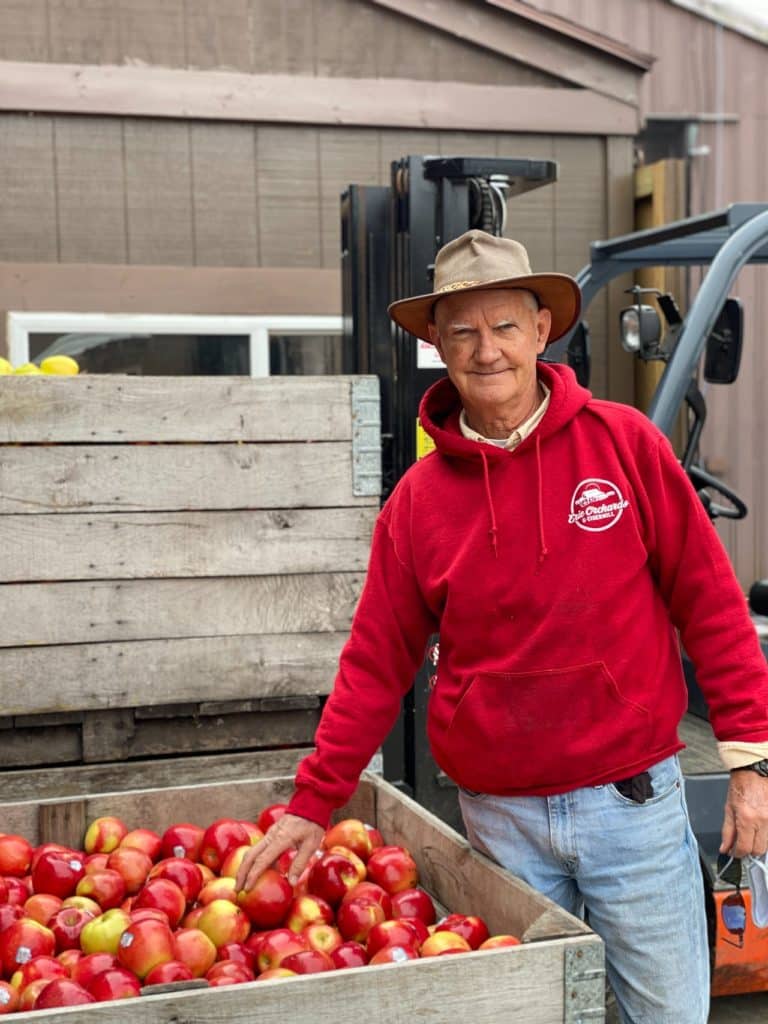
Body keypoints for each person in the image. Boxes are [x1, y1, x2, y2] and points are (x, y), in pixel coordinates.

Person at [237, 230, 768, 1023]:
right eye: (462, 332)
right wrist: (314, 803)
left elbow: (712, 604)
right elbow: (376, 662)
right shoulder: (418, 501)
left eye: (505, 327)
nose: (487, 351)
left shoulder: (625, 446)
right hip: (499, 820)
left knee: (668, 1016)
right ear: (438, 346)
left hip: (631, 804)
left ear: (542, 331)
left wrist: (752, 762)